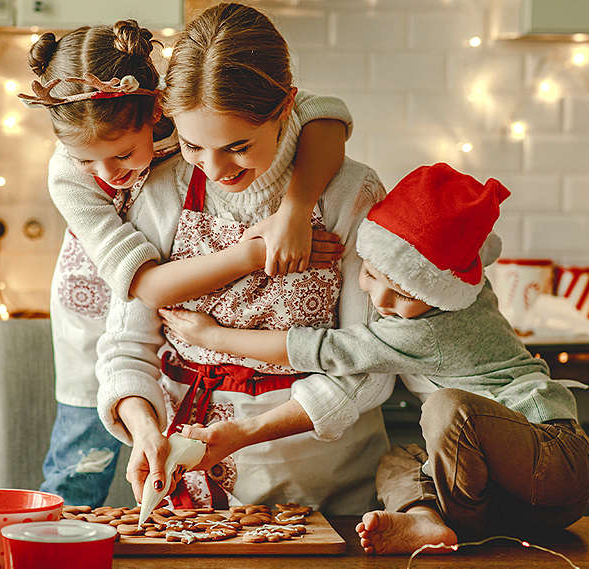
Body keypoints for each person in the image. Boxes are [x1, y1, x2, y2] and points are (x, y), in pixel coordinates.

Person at [161, 162, 589, 554]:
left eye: (403, 294)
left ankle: (459, 523)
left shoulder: (430, 328)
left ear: (437, 291)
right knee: (394, 462)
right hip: (512, 495)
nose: (379, 299)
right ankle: (427, 522)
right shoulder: (460, 282)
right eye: (369, 274)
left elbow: (323, 348)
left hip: (551, 458)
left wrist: (214, 335)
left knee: (449, 408)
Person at [21, 18, 352, 507]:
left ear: (158, 112)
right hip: (107, 298)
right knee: (79, 465)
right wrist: (254, 253)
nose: (106, 175)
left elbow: (322, 115)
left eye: (123, 155)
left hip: (177, 297)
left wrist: (296, 209)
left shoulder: (193, 119)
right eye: (86, 160)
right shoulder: (71, 176)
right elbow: (147, 289)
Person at [94, 2, 398, 515]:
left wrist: (248, 432)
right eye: (192, 145)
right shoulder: (164, 186)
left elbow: (367, 363)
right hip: (186, 487)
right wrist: (145, 428)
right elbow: (127, 343)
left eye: (237, 146)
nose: (213, 169)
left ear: (286, 109)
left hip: (322, 488)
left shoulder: (348, 193)